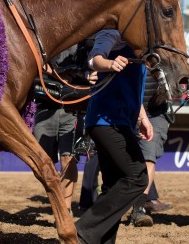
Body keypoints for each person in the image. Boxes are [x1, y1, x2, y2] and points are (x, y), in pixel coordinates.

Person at [75, 29, 152, 244]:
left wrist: (142, 117)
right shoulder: (113, 34)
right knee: (137, 178)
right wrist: (109, 64)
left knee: (114, 186)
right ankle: (82, 231)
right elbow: (94, 59)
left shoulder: (140, 42)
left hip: (121, 122)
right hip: (106, 121)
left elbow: (133, 89)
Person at [32, 42, 94, 215]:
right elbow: (37, 63)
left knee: (69, 158)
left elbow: (92, 67)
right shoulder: (44, 36)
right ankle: (57, 200)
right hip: (45, 106)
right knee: (44, 163)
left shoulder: (85, 40)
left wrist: (87, 74)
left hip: (74, 106)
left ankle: (65, 209)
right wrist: (59, 73)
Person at [128, 72, 173, 227]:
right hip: (126, 112)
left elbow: (179, 86)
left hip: (155, 114)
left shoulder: (165, 56)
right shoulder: (124, 52)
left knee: (148, 157)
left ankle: (139, 208)